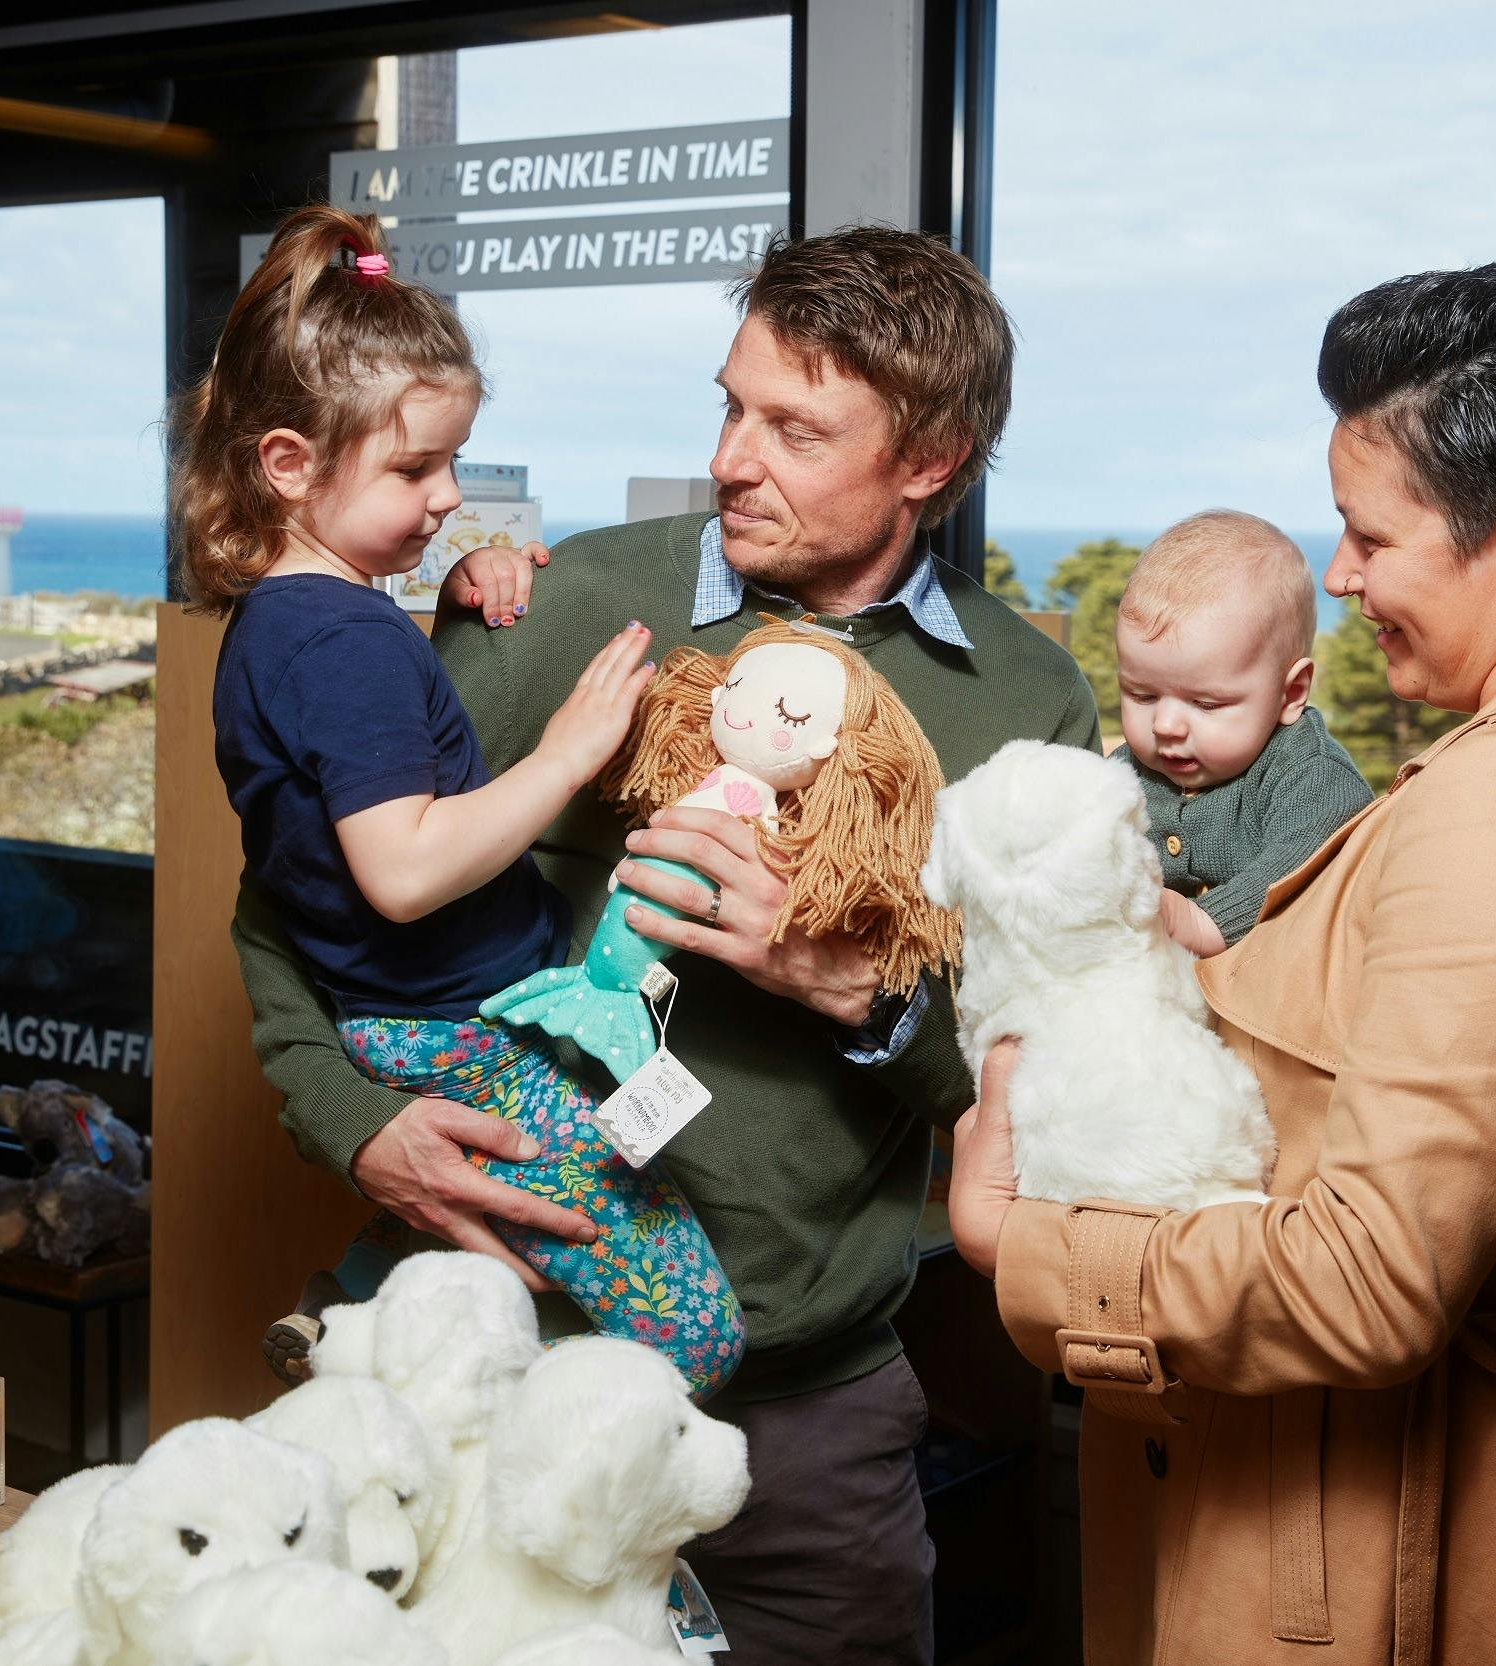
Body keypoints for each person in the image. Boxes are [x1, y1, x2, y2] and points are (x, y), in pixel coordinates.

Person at [233, 224, 1100, 1663]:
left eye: (793, 430)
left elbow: (1044, 1085)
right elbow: (293, 900)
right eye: (730, 405)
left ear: (931, 458)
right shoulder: (560, 603)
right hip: (500, 1369)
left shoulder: (1028, 700)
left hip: (800, 1419)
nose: (729, 460)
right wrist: (354, 1122)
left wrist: (853, 988)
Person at [950, 263, 1496, 1666]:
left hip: (1394, 1552)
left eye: (1369, 536)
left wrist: (1016, 1241)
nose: (1340, 575)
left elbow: (1369, 1278)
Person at [180, 204, 745, 1398]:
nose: (444, 497)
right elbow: (403, 869)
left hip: (403, 1021)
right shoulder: (345, 642)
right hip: (462, 1033)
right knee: (695, 1334)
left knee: (498, 1222)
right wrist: (568, 754)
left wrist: (454, 589)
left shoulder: (291, 619)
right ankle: (397, 1350)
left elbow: (361, 758)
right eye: (412, 468)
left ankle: (357, 1303)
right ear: (288, 463)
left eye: (452, 461)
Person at [1113, 511, 1372, 959]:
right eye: (1142, 695)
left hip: (1264, 981)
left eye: (1206, 704)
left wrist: (1207, 920)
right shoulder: (1124, 772)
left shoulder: (1307, 773)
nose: (1164, 725)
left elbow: (1308, 851)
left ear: (1290, 693)